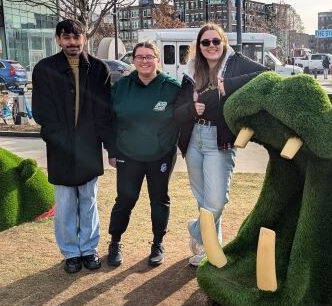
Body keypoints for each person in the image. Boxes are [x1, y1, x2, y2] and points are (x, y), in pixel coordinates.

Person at [174, 23, 267, 267]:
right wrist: (191, 109)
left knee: (216, 201)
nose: (212, 46)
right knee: (203, 197)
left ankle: (196, 229)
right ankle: (209, 250)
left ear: (224, 42)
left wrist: (230, 86)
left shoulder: (236, 63)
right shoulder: (191, 71)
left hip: (220, 139)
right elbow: (176, 111)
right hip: (194, 138)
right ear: (199, 46)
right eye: (206, 42)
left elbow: (267, 75)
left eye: (216, 41)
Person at [32, 19, 115, 274]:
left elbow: (105, 112)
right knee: (66, 203)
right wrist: (57, 138)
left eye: (77, 37)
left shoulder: (99, 69)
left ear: (85, 39)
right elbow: (41, 112)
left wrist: (111, 148)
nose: (72, 43)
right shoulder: (45, 69)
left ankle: (89, 249)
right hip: (60, 148)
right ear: (58, 40)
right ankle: (70, 253)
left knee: (88, 201)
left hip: (89, 148)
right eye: (66, 38)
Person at [106, 41, 181, 267]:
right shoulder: (121, 87)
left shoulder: (172, 87)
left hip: (161, 155)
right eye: (140, 57)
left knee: (159, 200)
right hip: (128, 155)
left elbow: (184, 118)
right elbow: (109, 121)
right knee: (126, 199)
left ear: (157, 60)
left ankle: (157, 243)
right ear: (134, 60)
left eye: (149, 57)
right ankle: (115, 242)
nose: (145, 61)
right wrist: (112, 151)